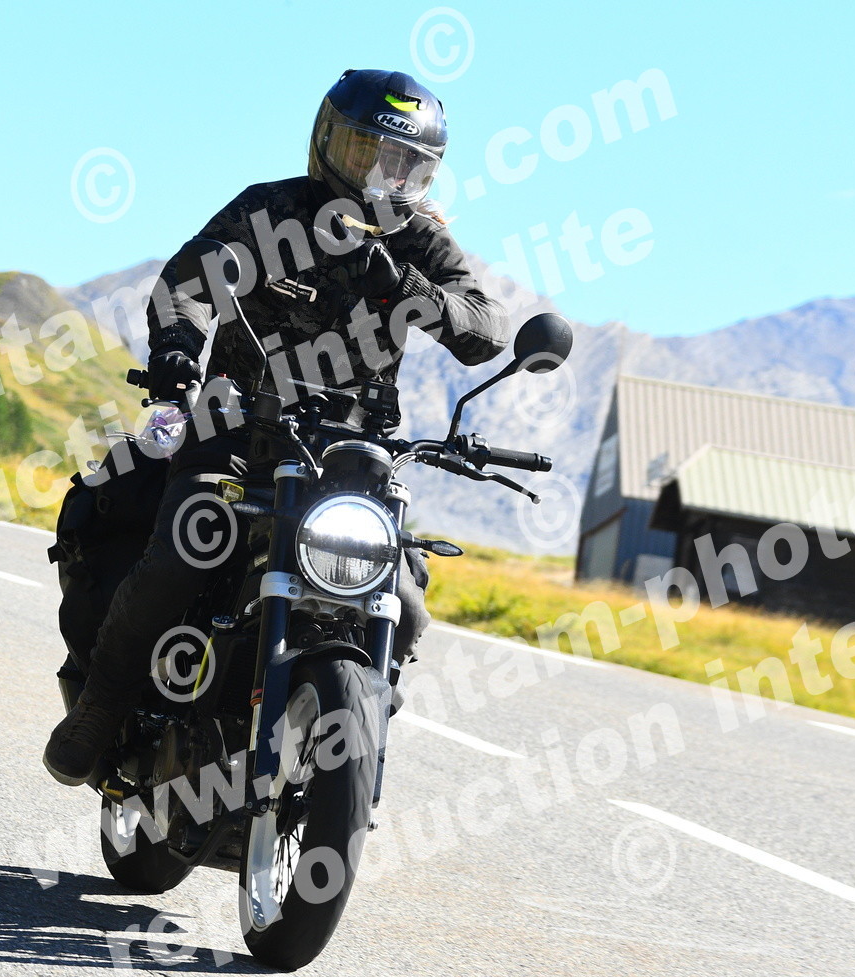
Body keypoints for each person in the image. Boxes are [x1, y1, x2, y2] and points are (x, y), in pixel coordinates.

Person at [44, 68, 509, 786]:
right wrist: (177, 353)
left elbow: (486, 328)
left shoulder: (418, 240)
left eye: (403, 164)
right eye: (366, 153)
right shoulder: (275, 210)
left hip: (352, 454)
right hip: (238, 430)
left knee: (408, 604)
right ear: (328, 143)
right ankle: (100, 708)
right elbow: (190, 282)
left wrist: (407, 288)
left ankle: (353, 733)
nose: (381, 176)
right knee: (182, 552)